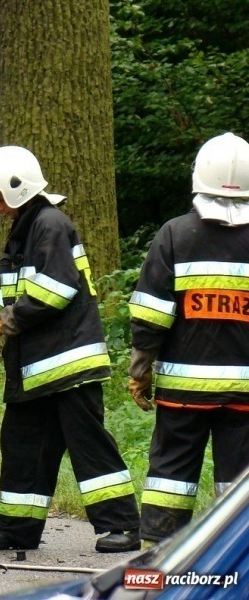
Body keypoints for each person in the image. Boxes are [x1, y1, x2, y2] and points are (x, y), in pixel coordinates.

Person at [0, 146, 140, 553]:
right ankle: (17, 530)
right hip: (35, 371)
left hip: (69, 366)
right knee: (23, 447)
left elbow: (55, 290)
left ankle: (122, 525)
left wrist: (2, 324)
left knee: (88, 446)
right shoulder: (24, 234)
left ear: (16, 189)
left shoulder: (50, 224)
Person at [128, 131, 249, 546]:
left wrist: (140, 369)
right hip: (246, 394)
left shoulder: (174, 235)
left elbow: (150, 313)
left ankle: (159, 556)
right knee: (240, 484)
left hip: (183, 392)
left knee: (171, 477)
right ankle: (236, 563)